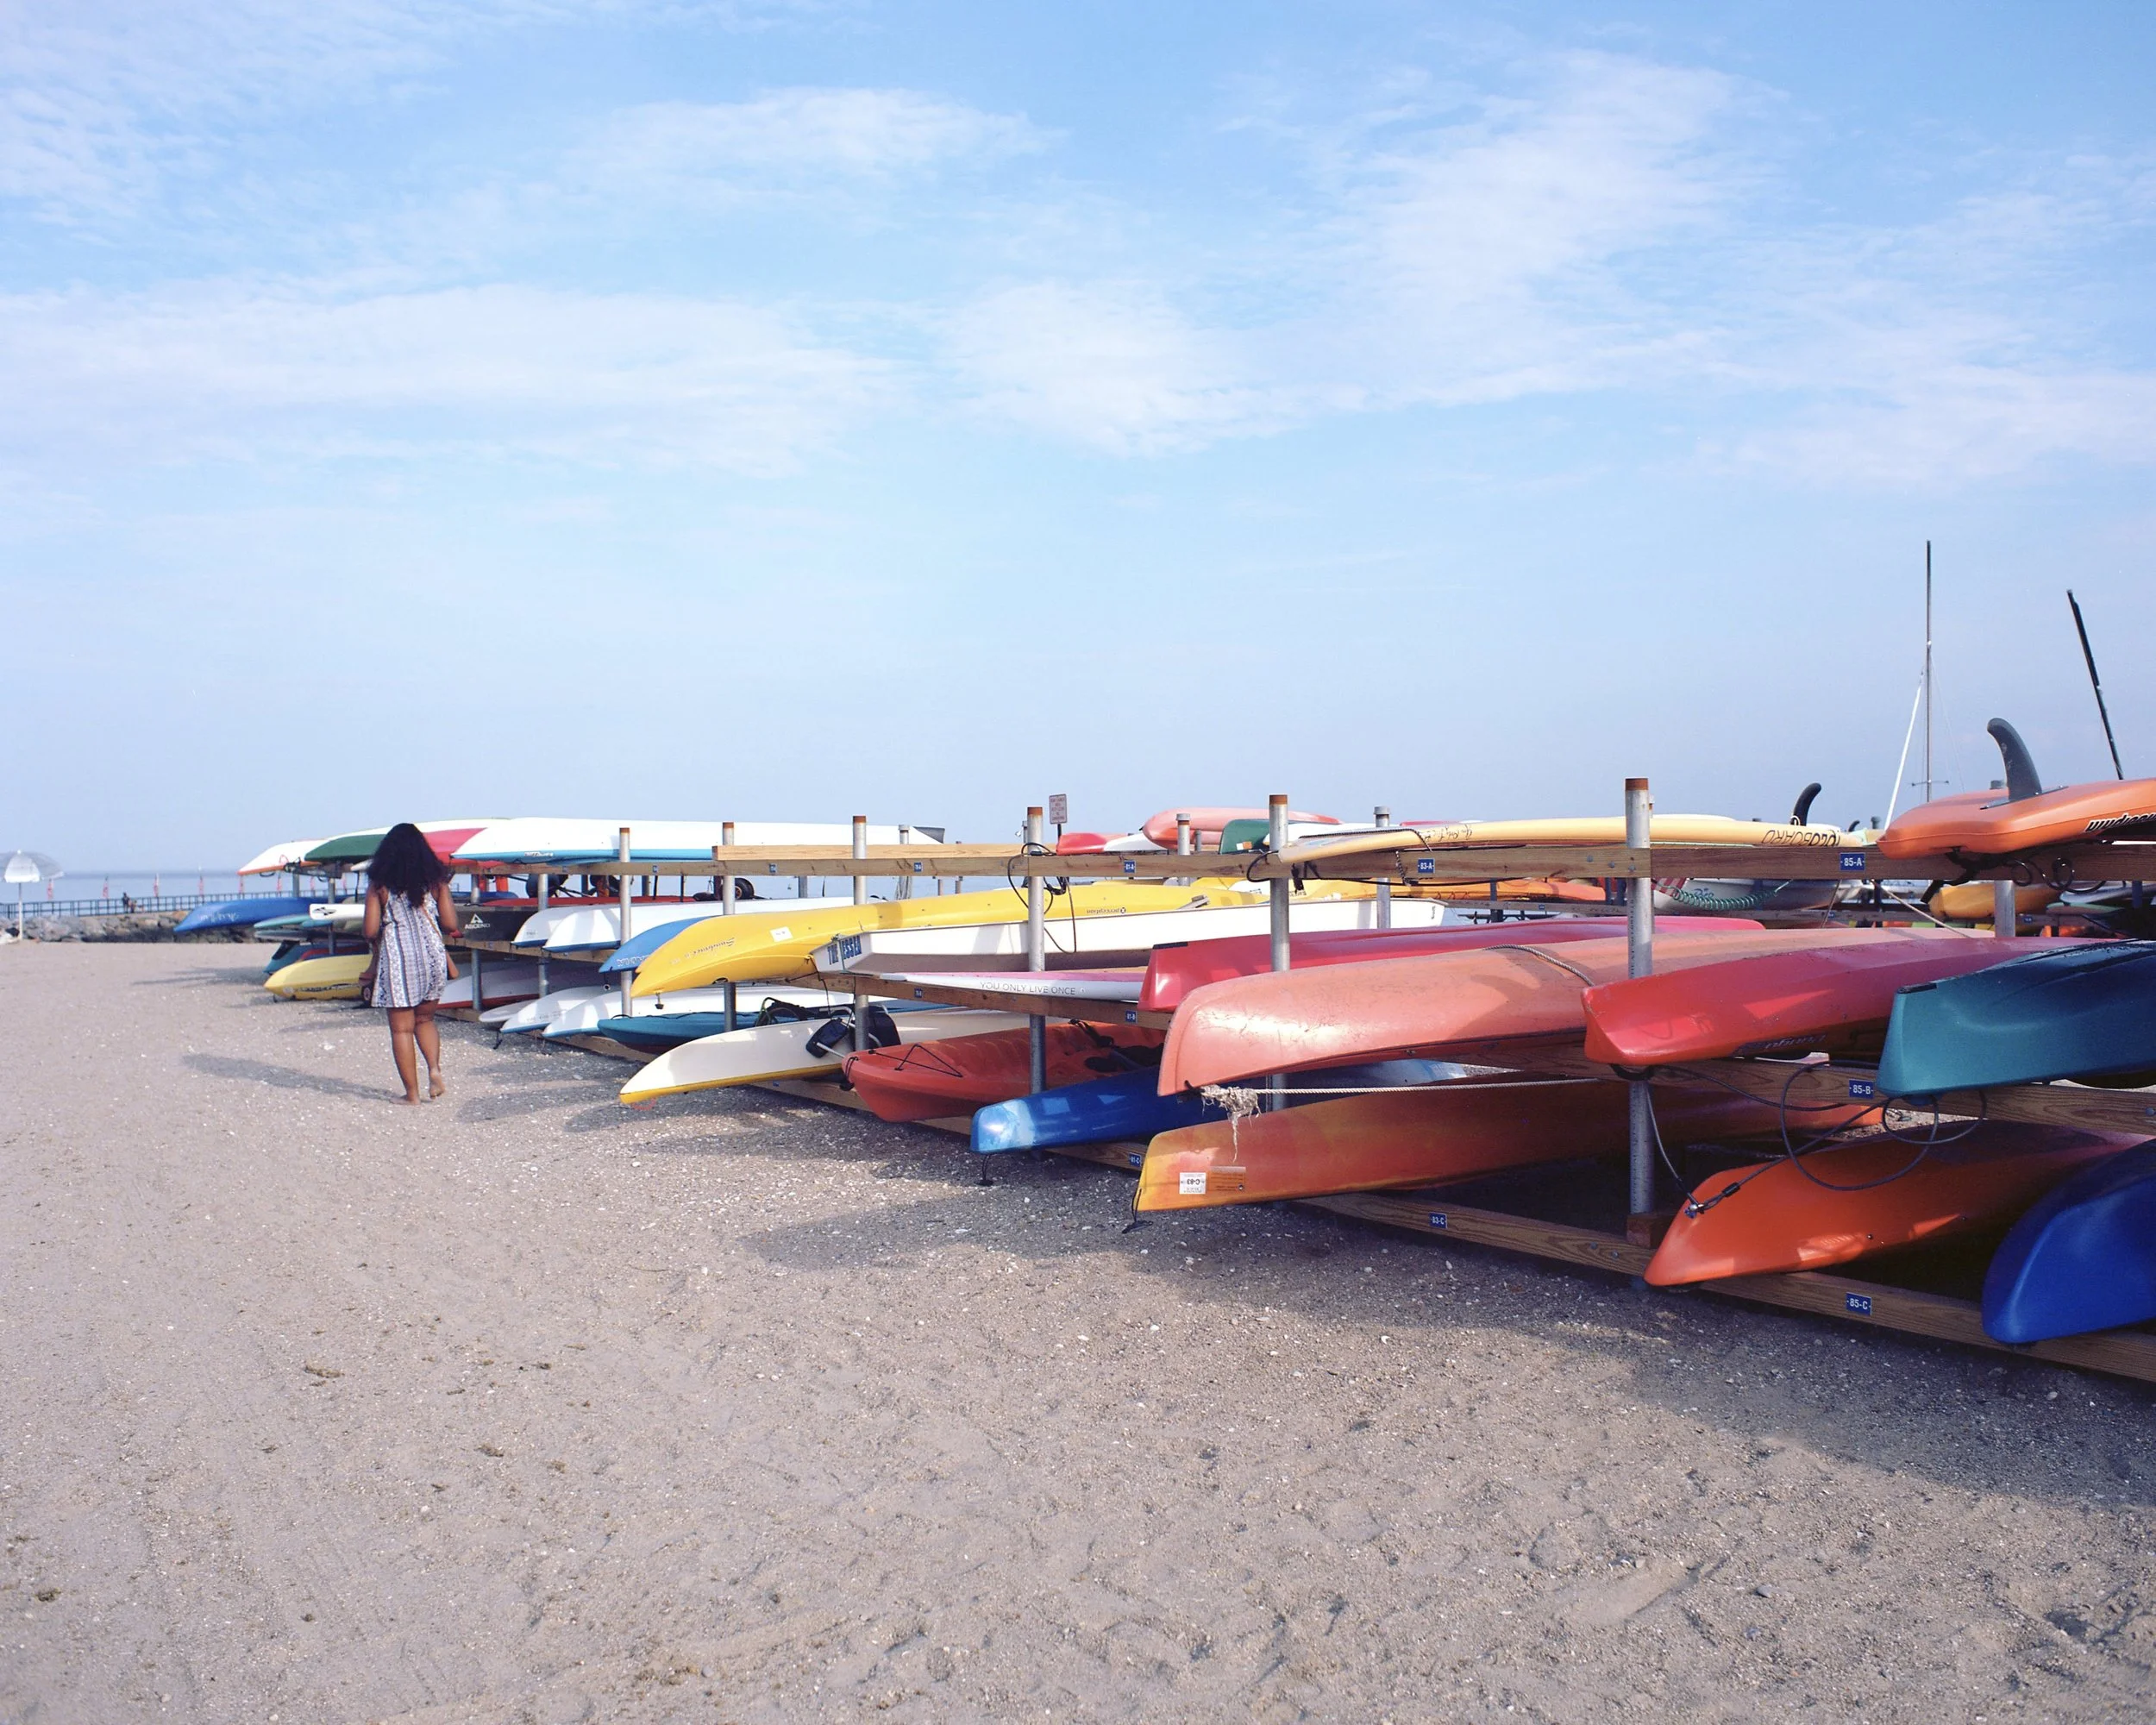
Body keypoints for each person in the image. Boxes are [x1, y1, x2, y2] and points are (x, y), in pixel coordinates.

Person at [361, 822, 461, 1104]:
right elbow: (451, 924)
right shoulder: (436, 881)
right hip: (432, 956)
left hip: (399, 959)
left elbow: (369, 931)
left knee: (401, 1029)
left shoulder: (379, 885)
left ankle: (412, 1095)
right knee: (425, 1019)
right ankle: (434, 1070)